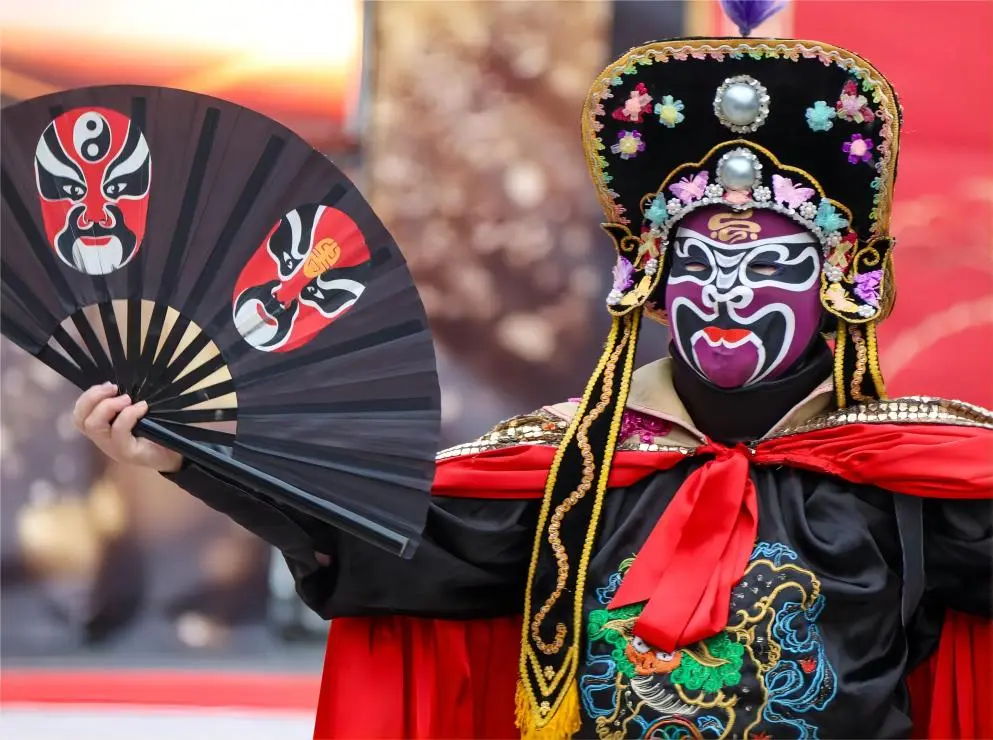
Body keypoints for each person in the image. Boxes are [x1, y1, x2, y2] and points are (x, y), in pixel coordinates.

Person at [73, 30, 993, 740]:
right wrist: (190, 453)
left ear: (841, 282)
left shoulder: (901, 482)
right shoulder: (563, 480)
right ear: (650, 279)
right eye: (701, 261)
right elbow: (374, 535)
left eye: (766, 268)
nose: (726, 296)